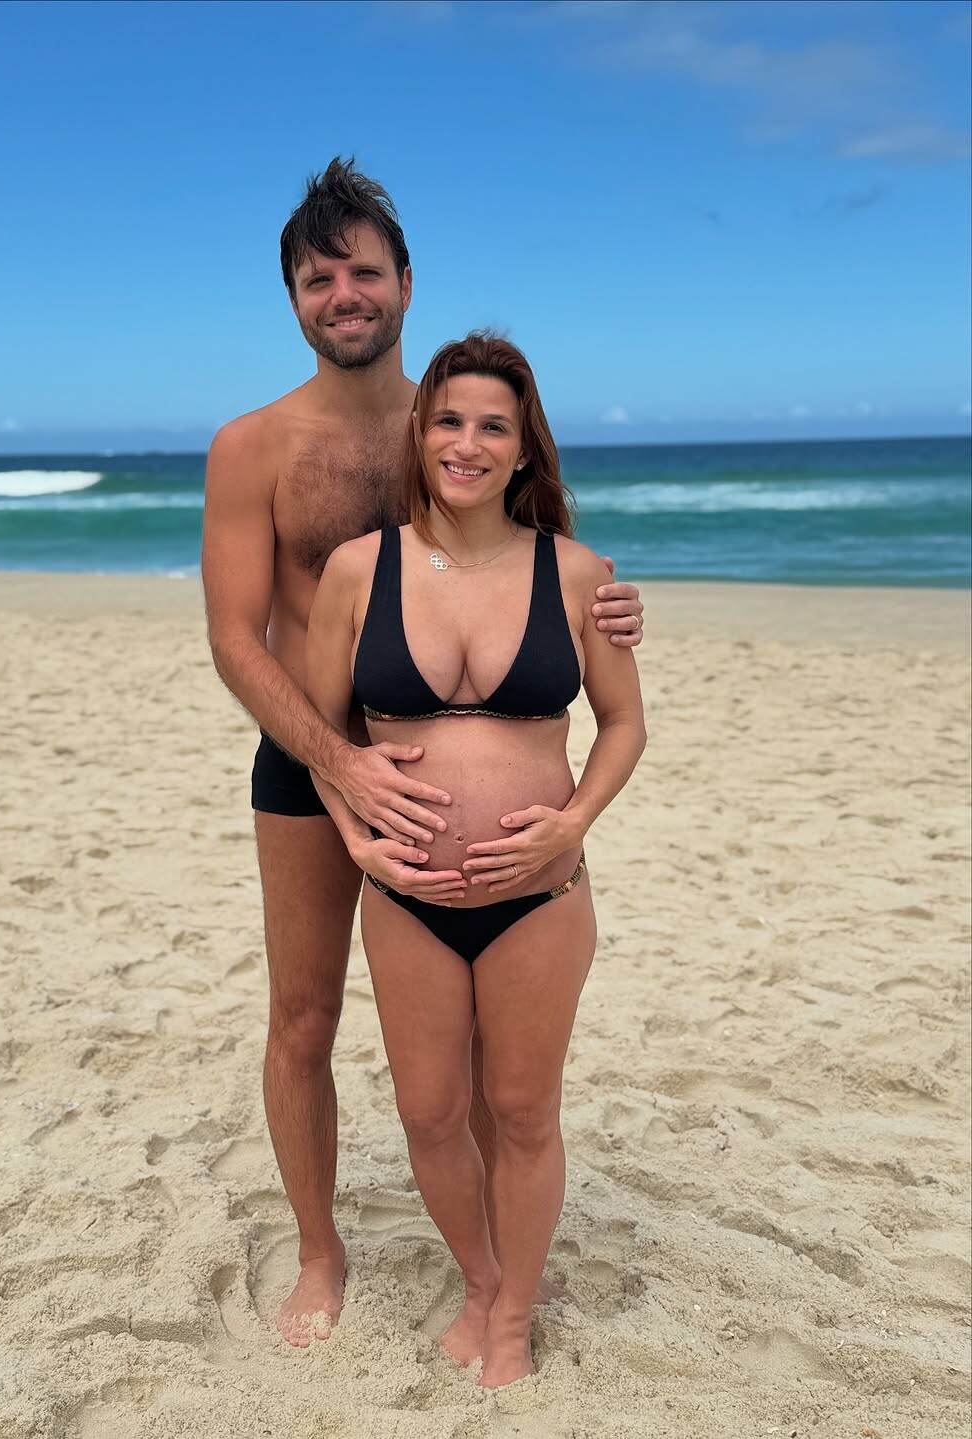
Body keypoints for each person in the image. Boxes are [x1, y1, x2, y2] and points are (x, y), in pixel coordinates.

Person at [201, 159, 645, 1347]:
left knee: (492, 1053)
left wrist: (615, 607)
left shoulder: (454, 420)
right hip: (308, 756)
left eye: (361, 271)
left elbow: (536, 559)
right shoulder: (254, 445)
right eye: (316, 279)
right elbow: (236, 638)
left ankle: (498, 1268)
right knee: (303, 1015)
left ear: (405, 281)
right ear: (293, 300)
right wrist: (335, 762)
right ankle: (320, 1250)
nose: (342, 294)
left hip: (458, 771)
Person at [303, 332, 645, 1387]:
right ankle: (485, 1276)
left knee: (525, 1109)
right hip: (405, 892)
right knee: (429, 1112)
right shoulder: (358, 570)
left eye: (494, 425)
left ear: (524, 446)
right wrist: (354, 832)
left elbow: (625, 725)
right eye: (449, 420)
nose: (468, 442)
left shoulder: (577, 573)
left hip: (539, 894)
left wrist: (572, 822)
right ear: (421, 434)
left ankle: (510, 1322)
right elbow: (321, 732)